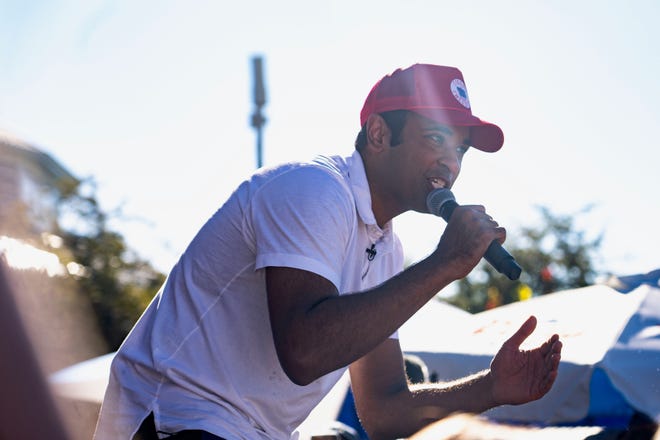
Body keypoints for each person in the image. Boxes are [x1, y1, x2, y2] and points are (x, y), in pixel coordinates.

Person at [94, 63, 562, 440]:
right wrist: (445, 264)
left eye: (460, 149)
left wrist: (491, 388)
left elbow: (382, 410)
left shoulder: (386, 247)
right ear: (378, 134)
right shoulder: (314, 189)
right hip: (179, 421)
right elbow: (304, 350)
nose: (451, 162)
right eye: (436, 139)